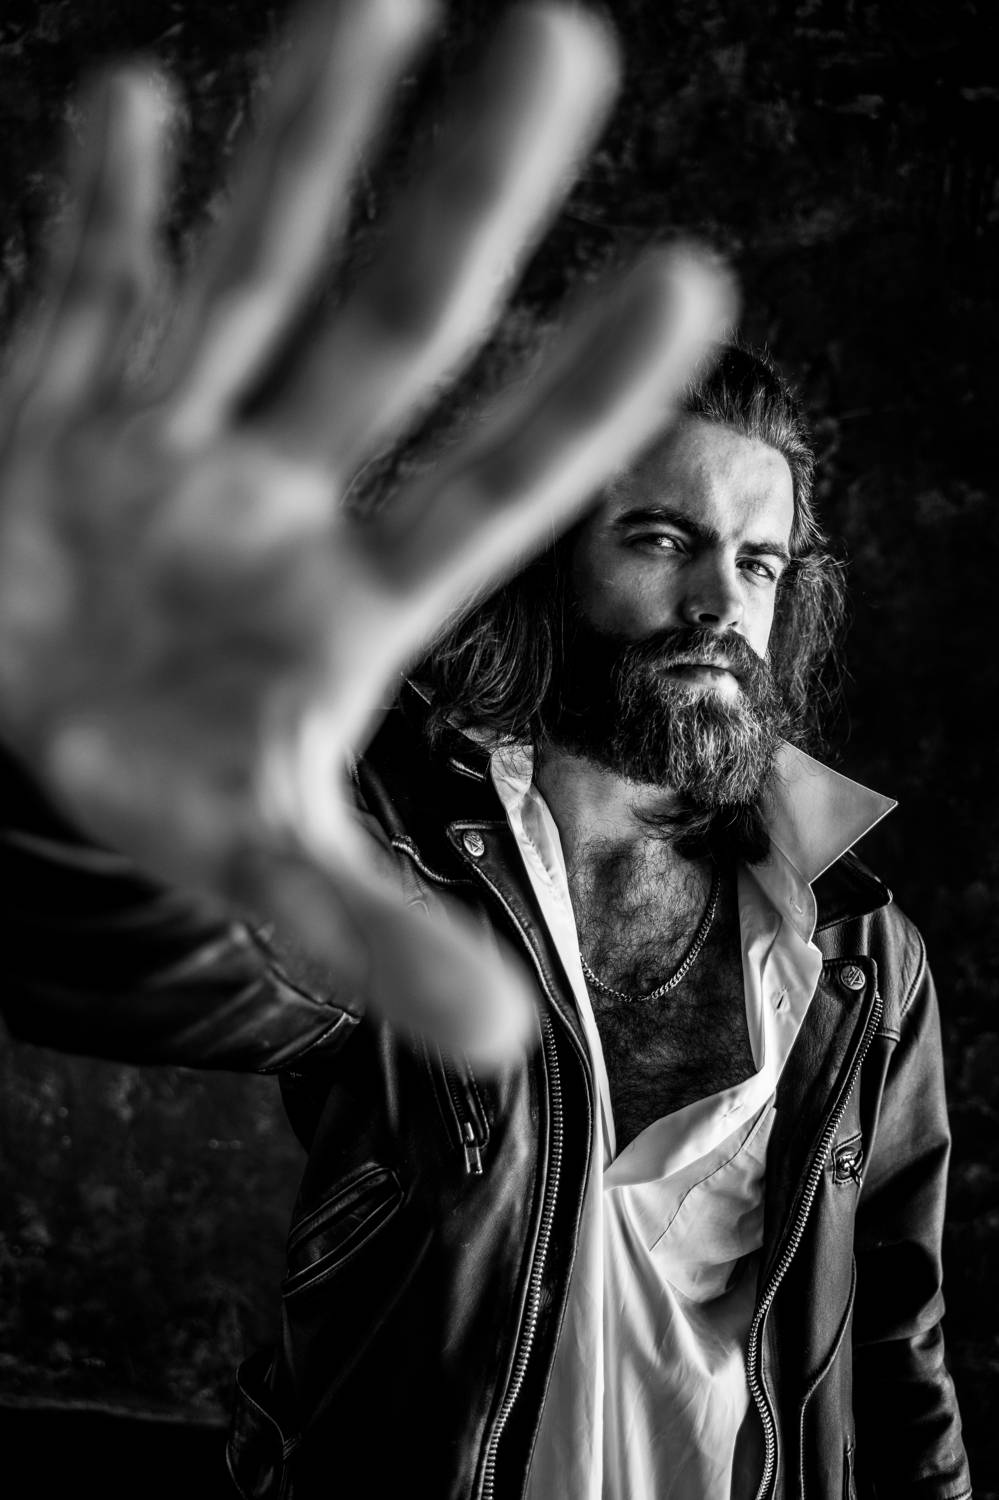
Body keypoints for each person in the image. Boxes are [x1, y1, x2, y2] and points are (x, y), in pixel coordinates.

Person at [0, 2, 970, 1499]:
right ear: (542, 561)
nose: (722, 603)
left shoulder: (861, 955)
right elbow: (170, 959)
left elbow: (897, 1358)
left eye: (762, 562)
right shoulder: (386, 852)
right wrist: (70, 781)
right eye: (662, 539)